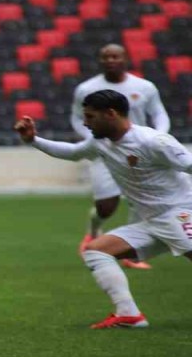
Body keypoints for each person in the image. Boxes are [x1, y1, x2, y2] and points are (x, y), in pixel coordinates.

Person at [16, 89, 192, 329]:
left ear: (110, 114)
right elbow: (73, 153)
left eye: (90, 117)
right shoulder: (101, 143)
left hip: (180, 213)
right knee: (97, 250)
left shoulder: (153, 141)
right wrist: (33, 140)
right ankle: (129, 314)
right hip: (151, 221)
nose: (85, 123)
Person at [71, 44, 169, 268]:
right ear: (100, 60)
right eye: (105, 57)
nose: (110, 60)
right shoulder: (86, 88)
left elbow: (159, 114)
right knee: (106, 206)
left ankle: (130, 254)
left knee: (139, 201)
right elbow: (77, 118)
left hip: (138, 152)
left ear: (125, 59)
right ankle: (93, 231)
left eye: (115, 56)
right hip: (105, 150)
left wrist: (156, 138)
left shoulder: (144, 87)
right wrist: (93, 137)